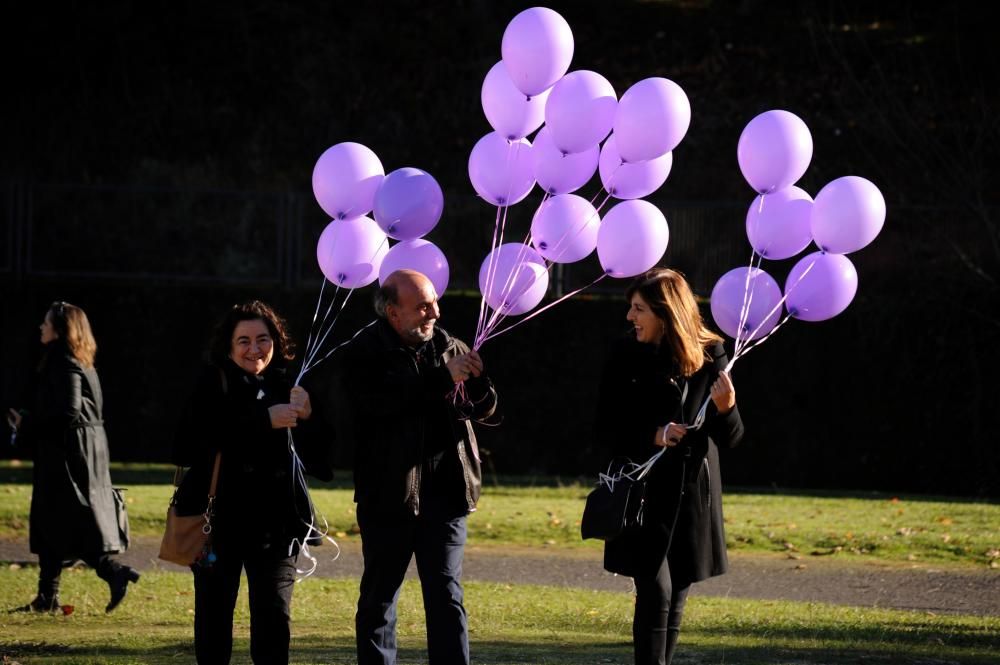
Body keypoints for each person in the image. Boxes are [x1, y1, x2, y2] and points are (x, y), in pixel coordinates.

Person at [328, 269, 499, 665]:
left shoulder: (449, 345)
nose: (434, 312)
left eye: (434, 302)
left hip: (447, 496)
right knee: (379, 600)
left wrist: (479, 384)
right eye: (422, 306)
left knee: (446, 597)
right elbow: (377, 406)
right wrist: (442, 378)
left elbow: (484, 410)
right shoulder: (364, 351)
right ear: (393, 312)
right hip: (388, 496)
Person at [594, 269, 744, 665]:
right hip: (643, 495)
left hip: (691, 495)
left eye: (639, 309)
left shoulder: (713, 354)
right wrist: (654, 434)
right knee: (655, 589)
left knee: (677, 591)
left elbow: (731, 438)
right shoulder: (625, 354)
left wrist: (727, 409)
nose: (630, 317)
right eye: (631, 308)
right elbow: (603, 426)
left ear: (666, 312)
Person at [173, 300, 330, 665]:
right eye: (243, 341)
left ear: (276, 341)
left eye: (263, 339)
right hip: (217, 526)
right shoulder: (213, 381)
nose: (255, 349)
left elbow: (322, 462)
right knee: (213, 624)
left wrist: (310, 417)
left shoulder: (290, 383)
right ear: (228, 345)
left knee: (274, 621)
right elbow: (185, 446)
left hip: (278, 528)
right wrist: (262, 419)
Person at [7, 301, 138, 613]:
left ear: (60, 329)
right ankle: (47, 597)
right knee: (54, 521)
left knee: (64, 520)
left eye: (46, 323)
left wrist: (28, 423)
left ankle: (113, 572)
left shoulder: (62, 361)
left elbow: (68, 410)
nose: (41, 327)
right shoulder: (79, 361)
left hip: (68, 454)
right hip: (81, 448)